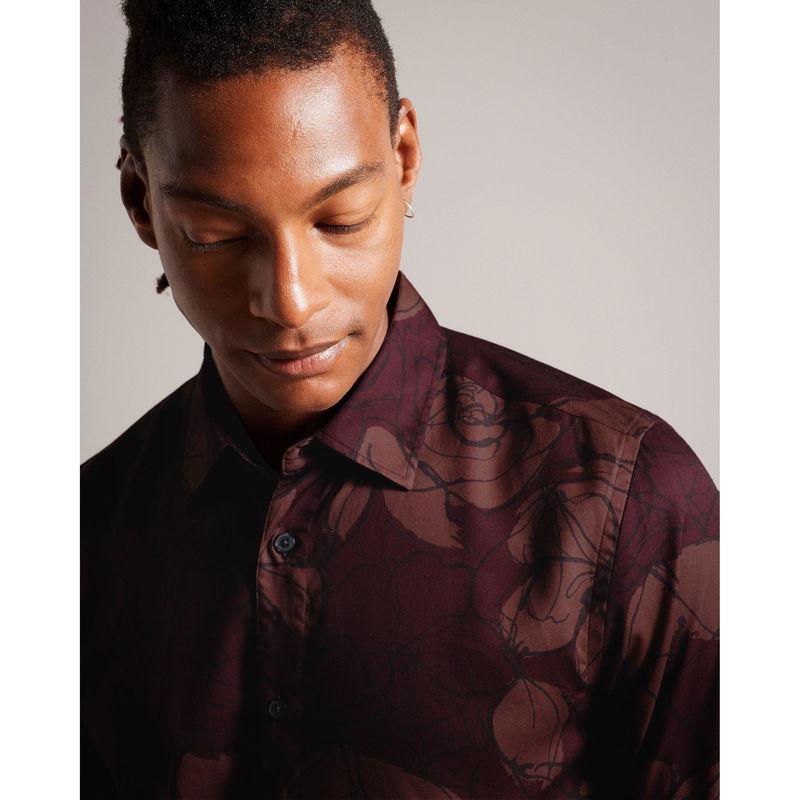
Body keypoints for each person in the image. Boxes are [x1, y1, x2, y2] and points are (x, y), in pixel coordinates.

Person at [81, 1, 719, 798]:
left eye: (341, 221)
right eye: (218, 234)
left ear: (405, 156)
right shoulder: (81, 540)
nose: (291, 300)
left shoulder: (628, 499)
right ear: (140, 202)